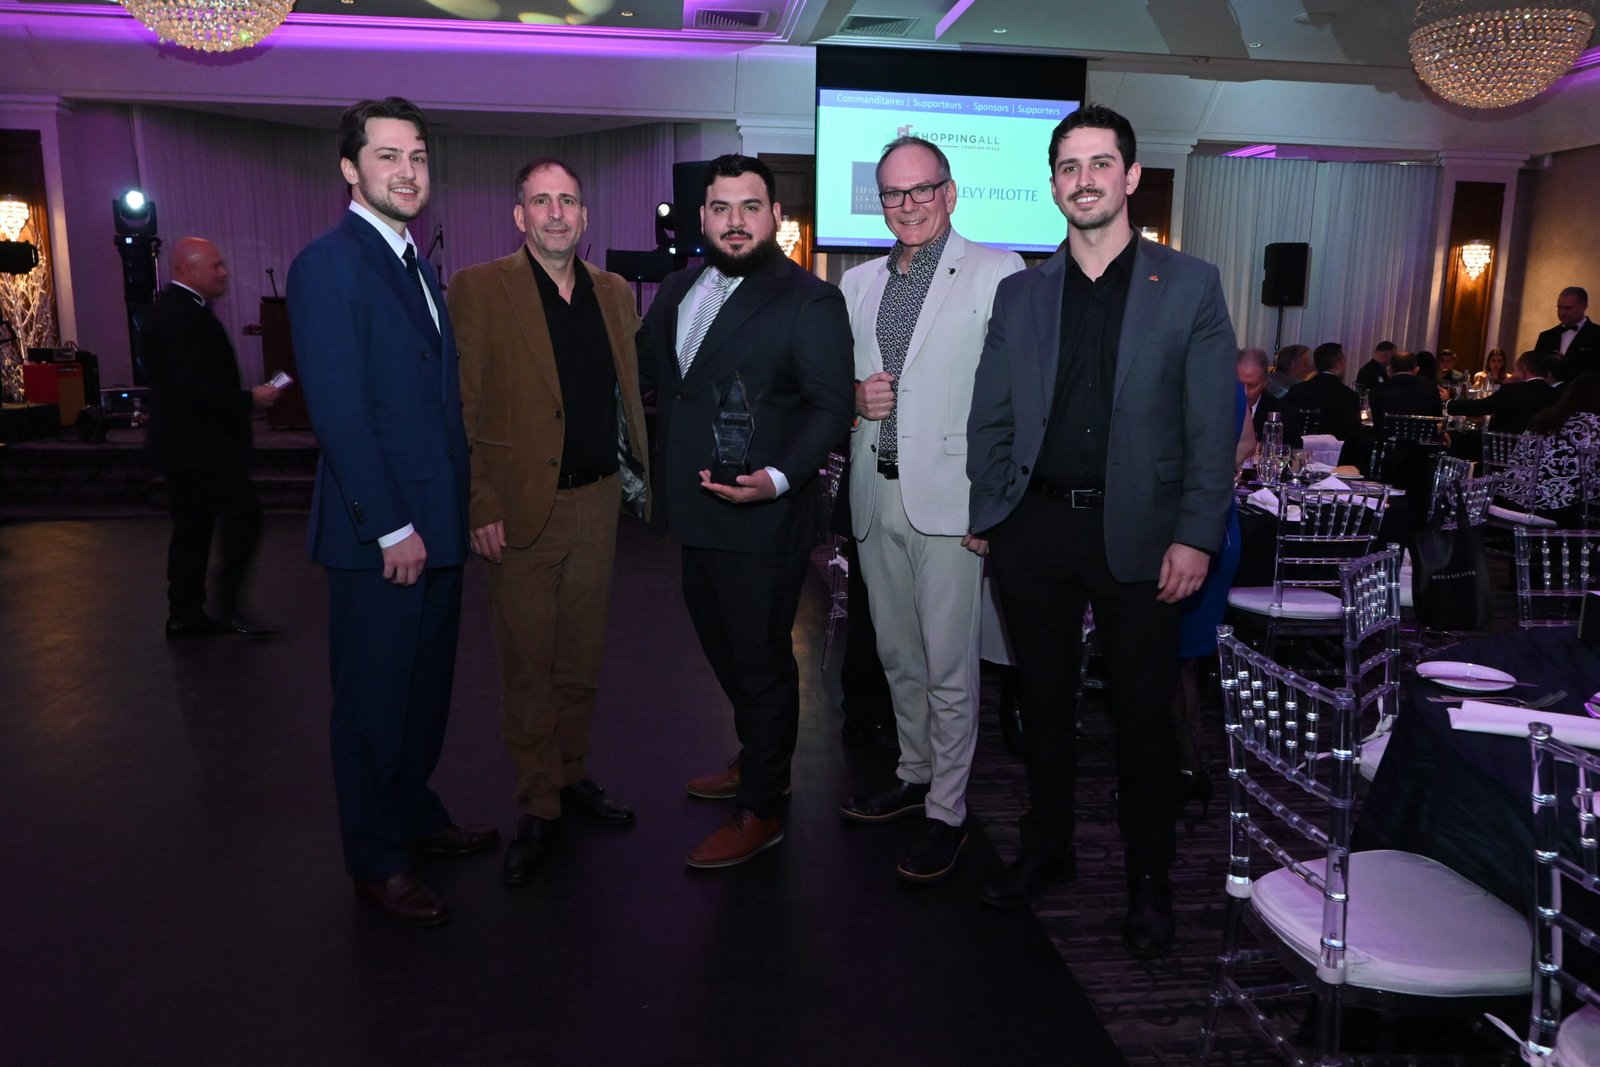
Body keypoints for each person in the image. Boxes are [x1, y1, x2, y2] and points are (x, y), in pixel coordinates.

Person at [965, 105, 1236, 958]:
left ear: (1131, 176)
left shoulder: (1189, 284)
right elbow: (990, 414)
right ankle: (1048, 848)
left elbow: (1212, 427)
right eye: (1068, 166)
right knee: (1040, 704)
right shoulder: (1020, 293)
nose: (1083, 180)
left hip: (1146, 538)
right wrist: (991, 510)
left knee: (1142, 714)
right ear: (1052, 184)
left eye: (1099, 163)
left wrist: (1196, 534)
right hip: (1035, 528)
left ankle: (1150, 875)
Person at [288, 97, 497, 927]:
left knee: (422, 696)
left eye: (417, 157)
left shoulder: (414, 262)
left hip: (435, 525)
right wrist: (390, 526)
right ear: (350, 168)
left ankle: (412, 814)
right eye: (387, 156)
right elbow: (339, 411)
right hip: (383, 535)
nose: (407, 172)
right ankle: (375, 858)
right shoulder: (329, 263)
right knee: (373, 704)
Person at [636, 154, 854, 870]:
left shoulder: (809, 300)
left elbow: (830, 407)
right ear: (702, 217)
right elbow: (657, 378)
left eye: (750, 207)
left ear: (775, 217)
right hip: (694, 514)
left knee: (760, 662)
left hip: (763, 517)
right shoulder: (677, 288)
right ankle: (760, 754)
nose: (735, 221)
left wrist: (780, 478)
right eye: (721, 208)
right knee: (724, 650)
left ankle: (763, 805)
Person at [447, 159, 649, 889]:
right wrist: (480, 503)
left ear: (585, 216)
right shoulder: (479, 288)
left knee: (581, 661)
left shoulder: (615, 292)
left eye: (568, 200)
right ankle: (538, 803)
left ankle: (571, 774)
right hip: (519, 510)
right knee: (528, 665)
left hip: (598, 503)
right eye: (542, 201)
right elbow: (464, 404)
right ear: (520, 216)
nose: (556, 212)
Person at [837, 135, 1025, 884]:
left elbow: (1012, 398)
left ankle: (948, 809)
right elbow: (840, 383)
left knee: (950, 665)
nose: (908, 204)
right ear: (880, 202)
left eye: (922, 189)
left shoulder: (997, 271)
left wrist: (993, 505)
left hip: (953, 502)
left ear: (949, 192)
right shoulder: (856, 283)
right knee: (896, 654)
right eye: (893, 193)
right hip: (874, 491)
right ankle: (914, 772)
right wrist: (854, 399)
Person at [143, 236, 280, 638]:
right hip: (201, 448)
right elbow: (191, 389)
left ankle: (186, 613)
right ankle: (225, 608)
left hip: (189, 447)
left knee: (194, 528)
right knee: (241, 518)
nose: (224, 273)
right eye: (216, 265)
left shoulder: (177, 310)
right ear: (187, 269)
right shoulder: (182, 317)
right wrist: (250, 399)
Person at [1514, 371, 1600, 527]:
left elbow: (1518, 456)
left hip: (1517, 497)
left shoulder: (1544, 417)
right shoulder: (1594, 425)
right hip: (1562, 506)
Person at [1448, 349, 1559, 434]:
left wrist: (1449, 403)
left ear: (1524, 370)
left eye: (1516, 369)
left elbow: (1479, 406)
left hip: (1506, 449)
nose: (1514, 374)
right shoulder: (1556, 394)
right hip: (1538, 454)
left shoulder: (1511, 390)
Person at [1285, 341, 1361, 441]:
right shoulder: (1349, 396)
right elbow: (1354, 435)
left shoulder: (1298, 389)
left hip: (1300, 446)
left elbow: (1287, 422)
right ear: (1339, 363)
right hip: (1336, 449)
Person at [1536, 286, 1600, 381]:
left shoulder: (1597, 334)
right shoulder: (1546, 336)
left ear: (1584, 307)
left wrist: (1567, 364)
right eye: (1559, 308)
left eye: (1568, 308)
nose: (1562, 312)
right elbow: (1537, 370)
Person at [1369, 349, 1443, 423]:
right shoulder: (1430, 388)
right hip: (1421, 430)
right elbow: (1437, 418)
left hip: (1389, 430)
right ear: (1416, 369)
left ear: (1390, 369)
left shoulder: (1377, 390)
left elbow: (1377, 421)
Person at [1235, 347, 1268, 466]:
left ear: (1264, 383)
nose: (1245, 392)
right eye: (1239, 385)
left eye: (1252, 386)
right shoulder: (1217, 409)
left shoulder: (1286, 413)